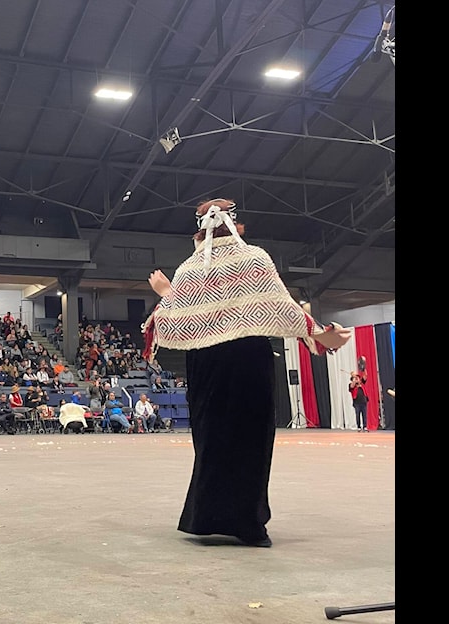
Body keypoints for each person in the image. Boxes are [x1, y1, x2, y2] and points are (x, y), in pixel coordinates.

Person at [142, 198, 351, 548]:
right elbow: (282, 308)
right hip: (247, 357)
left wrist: (166, 293)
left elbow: (168, 320)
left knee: (212, 439)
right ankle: (248, 522)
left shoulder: (189, 270)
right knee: (252, 439)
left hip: (205, 361)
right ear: (237, 223)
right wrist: (318, 332)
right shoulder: (254, 259)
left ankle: (205, 517)